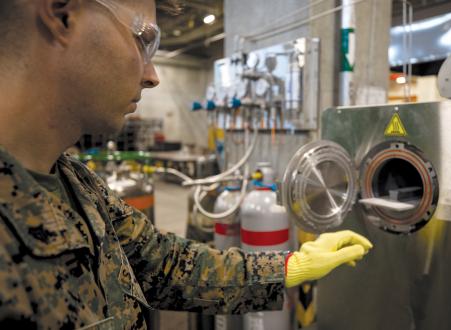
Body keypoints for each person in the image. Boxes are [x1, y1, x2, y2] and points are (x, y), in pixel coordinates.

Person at [0, 0, 373, 328]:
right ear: (61, 13)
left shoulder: (75, 182)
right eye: (144, 39)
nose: (152, 75)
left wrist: (291, 266)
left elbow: (165, 264)